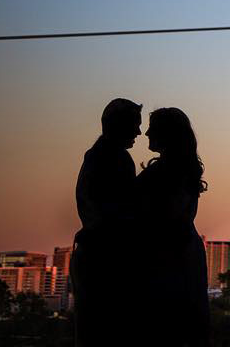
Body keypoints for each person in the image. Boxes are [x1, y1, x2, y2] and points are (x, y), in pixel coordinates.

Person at [71, 98, 142, 347]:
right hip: (104, 259)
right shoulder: (115, 159)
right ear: (118, 125)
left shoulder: (99, 156)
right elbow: (120, 211)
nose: (139, 132)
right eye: (135, 124)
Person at [137, 107, 210, 347]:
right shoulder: (179, 172)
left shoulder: (169, 174)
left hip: (171, 259)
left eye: (153, 128)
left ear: (168, 135)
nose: (146, 132)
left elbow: (164, 217)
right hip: (181, 255)